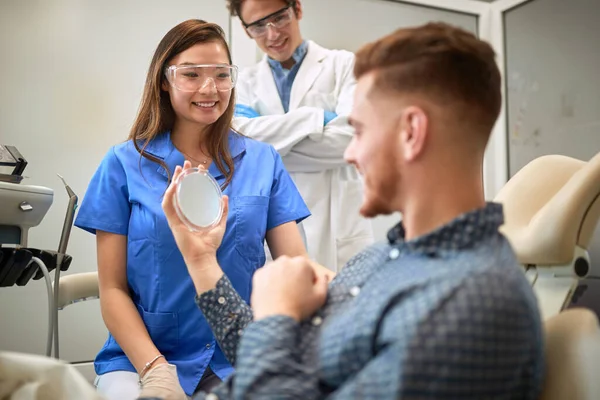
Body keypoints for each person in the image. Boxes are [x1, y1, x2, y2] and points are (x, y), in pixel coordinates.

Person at [163, 22, 545, 399]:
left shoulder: (471, 305)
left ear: (411, 132)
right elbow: (277, 363)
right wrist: (202, 263)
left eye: (359, 131)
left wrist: (277, 315)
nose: (349, 153)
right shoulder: (381, 260)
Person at [74, 19, 312, 400]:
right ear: (164, 81)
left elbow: (296, 271)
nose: (209, 88)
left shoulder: (264, 161)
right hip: (144, 357)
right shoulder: (123, 163)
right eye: (191, 74)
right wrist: (155, 370)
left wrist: (276, 352)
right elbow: (113, 290)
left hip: (241, 355)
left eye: (221, 75)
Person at [226, 0, 374, 272]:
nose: (272, 34)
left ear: (297, 9)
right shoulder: (244, 83)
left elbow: (353, 140)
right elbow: (240, 144)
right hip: (277, 233)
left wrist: (271, 151)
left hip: (339, 227)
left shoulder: (344, 65)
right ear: (247, 31)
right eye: (258, 26)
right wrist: (315, 117)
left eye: (279, 18)